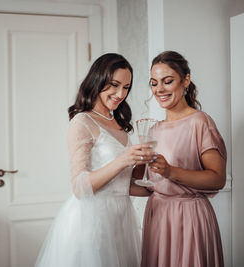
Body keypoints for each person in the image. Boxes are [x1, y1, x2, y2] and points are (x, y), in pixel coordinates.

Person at [35, 53, 154, 267]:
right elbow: (80, 187)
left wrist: (152, 177)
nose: (120, 94)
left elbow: (122, 185)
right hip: (92, 221)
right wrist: (123, 160)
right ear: (98, 80)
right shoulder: (82, 121)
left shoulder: (118, 122)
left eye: (126, 87)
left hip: (121, 220)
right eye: (114, 85)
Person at [138, 51, 226, 267]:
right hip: (158, 218)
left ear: (185, 80)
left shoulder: (200, 122)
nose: (159, 89)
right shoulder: (153, 129)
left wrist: (171, 171)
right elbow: (150, 187)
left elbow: (218, 179)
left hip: (190, 219)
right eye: (154, 83)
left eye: (168, 81)